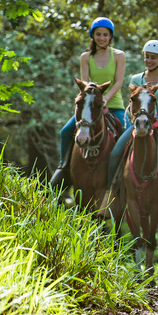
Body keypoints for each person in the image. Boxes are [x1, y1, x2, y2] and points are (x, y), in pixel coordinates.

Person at [50, 17, 126, 187]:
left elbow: (119, 83)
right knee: (66, 131)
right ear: (93, 36)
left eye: (105, 35)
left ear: (110, 37)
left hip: (113, 105)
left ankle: (124, 172)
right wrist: (93, 99)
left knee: (127, 132)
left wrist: (105, 98)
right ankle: (64, 168)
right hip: (91, 106)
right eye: (98, 34)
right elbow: (84, 84)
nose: (102, 38)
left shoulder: (119, 56)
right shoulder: (86, 57)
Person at [105, 39, 158, 187]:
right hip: (138, 123)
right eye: (147, 56)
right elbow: (131, 104)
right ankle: (110, 191)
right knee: (115, 153)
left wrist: (155, 116)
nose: (149, 60)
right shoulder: (136, 79)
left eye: (153, 57)